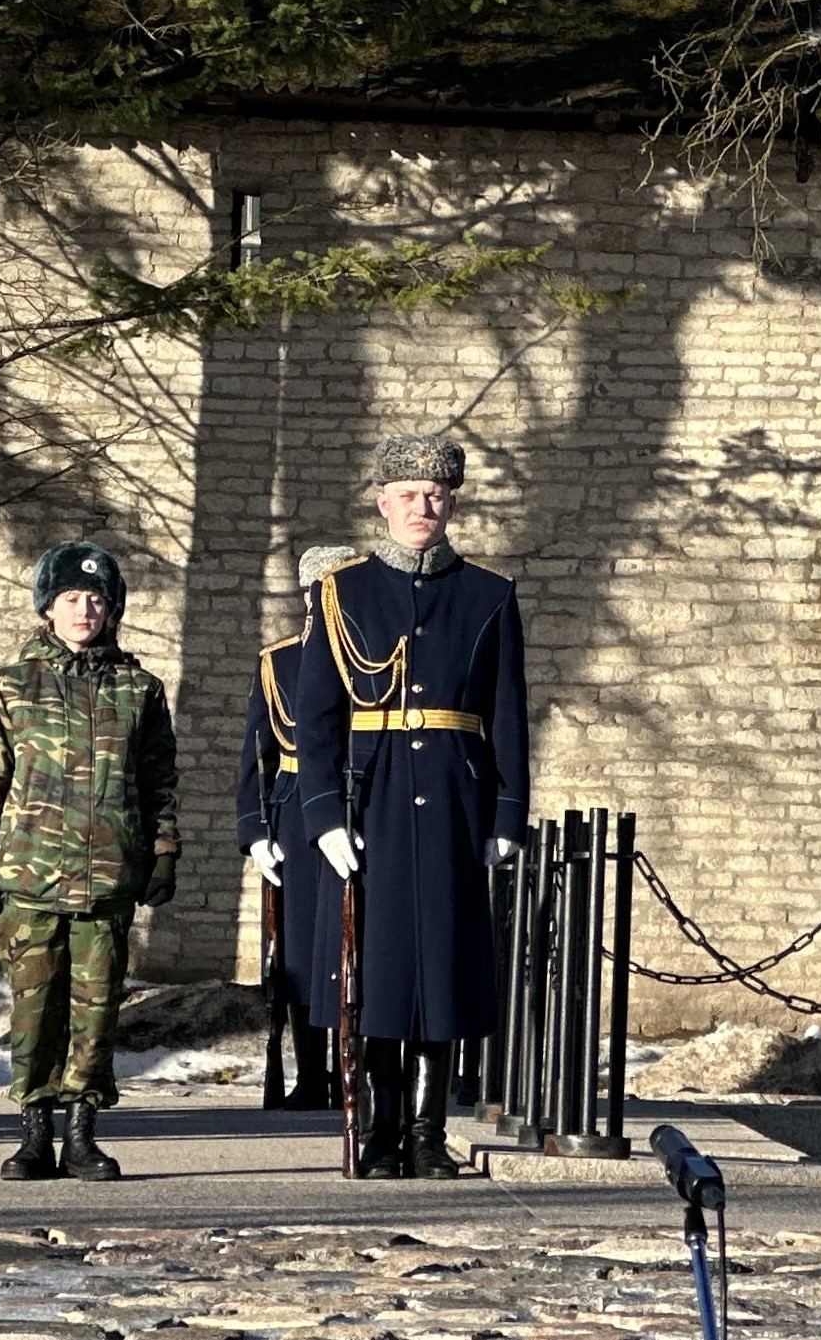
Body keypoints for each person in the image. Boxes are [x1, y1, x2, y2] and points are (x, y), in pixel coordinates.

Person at [289, 434, 528, 1180]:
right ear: (380, 502)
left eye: (435, 493)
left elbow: (508, 712)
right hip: (372, 794)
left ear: (451, 501)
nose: (422, 506)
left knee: (442, 968)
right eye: (407, 493)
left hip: (454, 794)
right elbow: (317, 715)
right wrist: (323, 812)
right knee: (375, 971)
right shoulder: (343, 590)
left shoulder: (488, 593)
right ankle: (380, 1126)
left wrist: (505, 814)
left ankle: (427, 1132)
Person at [0, 540, 178, 1183]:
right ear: (46, 609)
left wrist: (163, 854)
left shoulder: (139, 690)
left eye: (96, 599)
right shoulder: (7, 689)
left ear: (113, 610)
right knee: (33, 1008)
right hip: (30, 875)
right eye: (71, 599)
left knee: (97, 1008)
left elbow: (159, 782)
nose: (85, 610)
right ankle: (33, 1134)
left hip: (108, 877)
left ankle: (82, 1132)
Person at [239, 543, 357, 1111]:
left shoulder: (370, 656)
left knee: (355, 947)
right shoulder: (279, 661)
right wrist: (256, 831)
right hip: (293, 813)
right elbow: (255, 756)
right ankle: (311, 1074)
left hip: (358, 806)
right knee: (302, 953)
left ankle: (357, 1070)